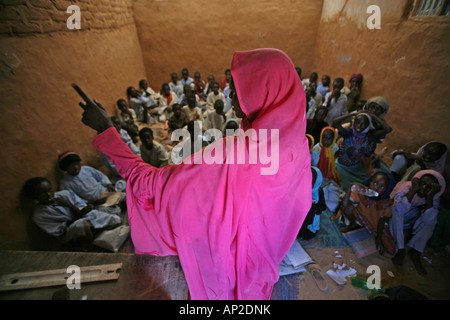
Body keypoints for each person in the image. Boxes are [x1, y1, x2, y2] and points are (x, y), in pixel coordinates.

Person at [75, 48, 312, 300]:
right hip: (260, 266)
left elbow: (155, 185)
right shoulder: (297, 145)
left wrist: (106, 130)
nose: (229, 93)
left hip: (226, 273)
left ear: (262, 89)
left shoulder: (234, 155)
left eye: (238, 86)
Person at [23, 177, 121, 243]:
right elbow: (61, 231)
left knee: (116, 219)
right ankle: (89, 241)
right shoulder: (39, 215)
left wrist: (85, 206)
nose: (49, 195)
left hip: (84, 215)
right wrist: (69, 206)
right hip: (70, 230)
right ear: (34, 197)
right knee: (82, 225)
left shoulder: (64, 194)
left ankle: (98, 234)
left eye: (50, 190)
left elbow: (83, 208)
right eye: (42, 193)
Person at [390, 170, 446, 275]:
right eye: (422, 183)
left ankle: (416, 251)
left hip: (411, 221)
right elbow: (399, 209)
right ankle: (400, 249)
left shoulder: (434, 196)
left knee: (432, 218)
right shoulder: (405, 187)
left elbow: (428, 220)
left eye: (429, 187)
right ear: (417, 182)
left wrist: (429, 198)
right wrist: (413, 190)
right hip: (395, 220)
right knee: (396, 210)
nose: (424, 188)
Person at [339, 170, 397, 255]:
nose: (376, 188)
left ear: (387, 189)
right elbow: (345, 204)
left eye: (381, 186)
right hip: (359, 216)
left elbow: (382, 220)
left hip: (375, 222)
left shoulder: (386, 203)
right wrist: (350, 188)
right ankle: (352, 225)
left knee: (390, 249)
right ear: (370, 181)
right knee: (348, 209)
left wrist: (378, 238)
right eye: (374, 183)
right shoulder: (362, 192)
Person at [333, 113, 379, 190]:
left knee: (363, 187)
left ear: (367, 126)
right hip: (341, 166)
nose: (359, 126)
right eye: (357, 122)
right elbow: (335, 121)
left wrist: (373, 116)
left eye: (363, 124)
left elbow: (388, 129)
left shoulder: (368, 138)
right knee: (342, 185)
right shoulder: (348, 133)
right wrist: (353, 114)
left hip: (356, 169)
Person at [298, 167, 326, 240]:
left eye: (312, 181)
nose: (309, 183)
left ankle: (303, 232)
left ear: (317, 181)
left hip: (311, 221)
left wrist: (313, 208)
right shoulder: (301, 189)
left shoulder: (319, 192)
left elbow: (322, 207)